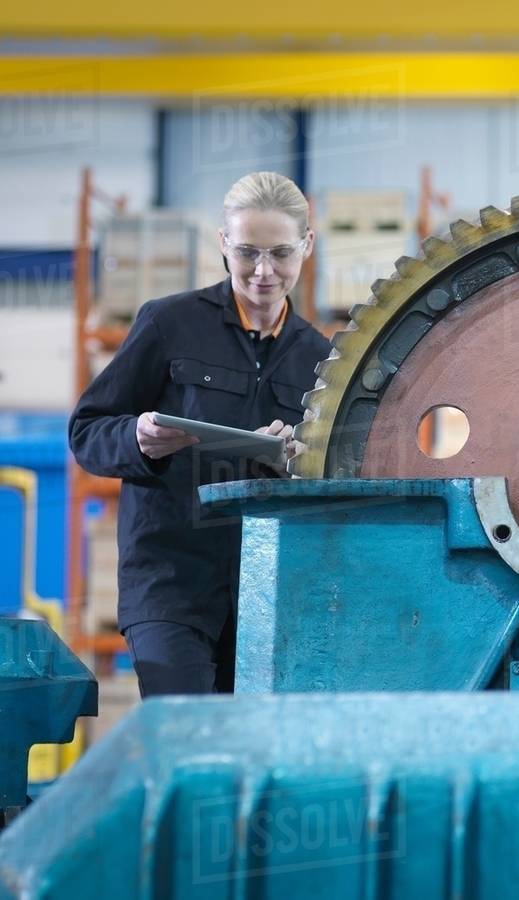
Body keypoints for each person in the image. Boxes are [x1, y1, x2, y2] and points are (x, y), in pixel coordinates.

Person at [69, 172, 332, 698]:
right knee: (183, 728)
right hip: (169, 582)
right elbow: (87, 431)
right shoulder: (169, 324)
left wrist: (298, 463)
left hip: (268, 593)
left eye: (280, 253)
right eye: (247, 253)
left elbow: (340, 476)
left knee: (245, 751)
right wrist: (138, 440)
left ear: (307, 245)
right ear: (222, 244)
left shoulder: (319, 358)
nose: (263, 272)